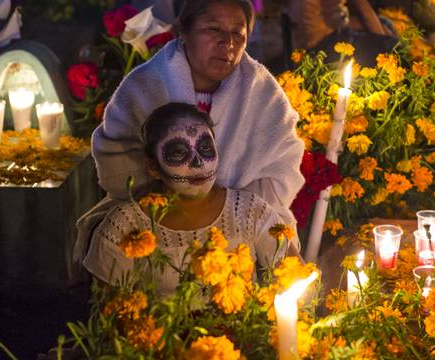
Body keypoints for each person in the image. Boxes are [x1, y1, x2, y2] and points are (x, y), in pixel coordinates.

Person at [74, 0, 305, 263]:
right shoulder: (144, 86)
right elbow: (116, 161)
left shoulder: (263, 93)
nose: (227, 43)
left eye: (238, 33)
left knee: (286, 262)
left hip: (240, 225)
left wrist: (229, 209)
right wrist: (179, 205)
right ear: (184, 32)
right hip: (158, 218)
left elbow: (281, 168)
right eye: (213, 29)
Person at [83, 102, 300, 295]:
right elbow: (109, 318)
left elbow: (297, 279)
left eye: (205, 148)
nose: (198, 163)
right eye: (179, 153)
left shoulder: (249, 211)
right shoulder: (124, 227)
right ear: (152, 167)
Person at [288, 0, 399, 66]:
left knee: (385, 22)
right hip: (318, 46)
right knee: (391, 44)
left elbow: (337, 19)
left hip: (321, 32)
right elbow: (364, 13)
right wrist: (386, 42)